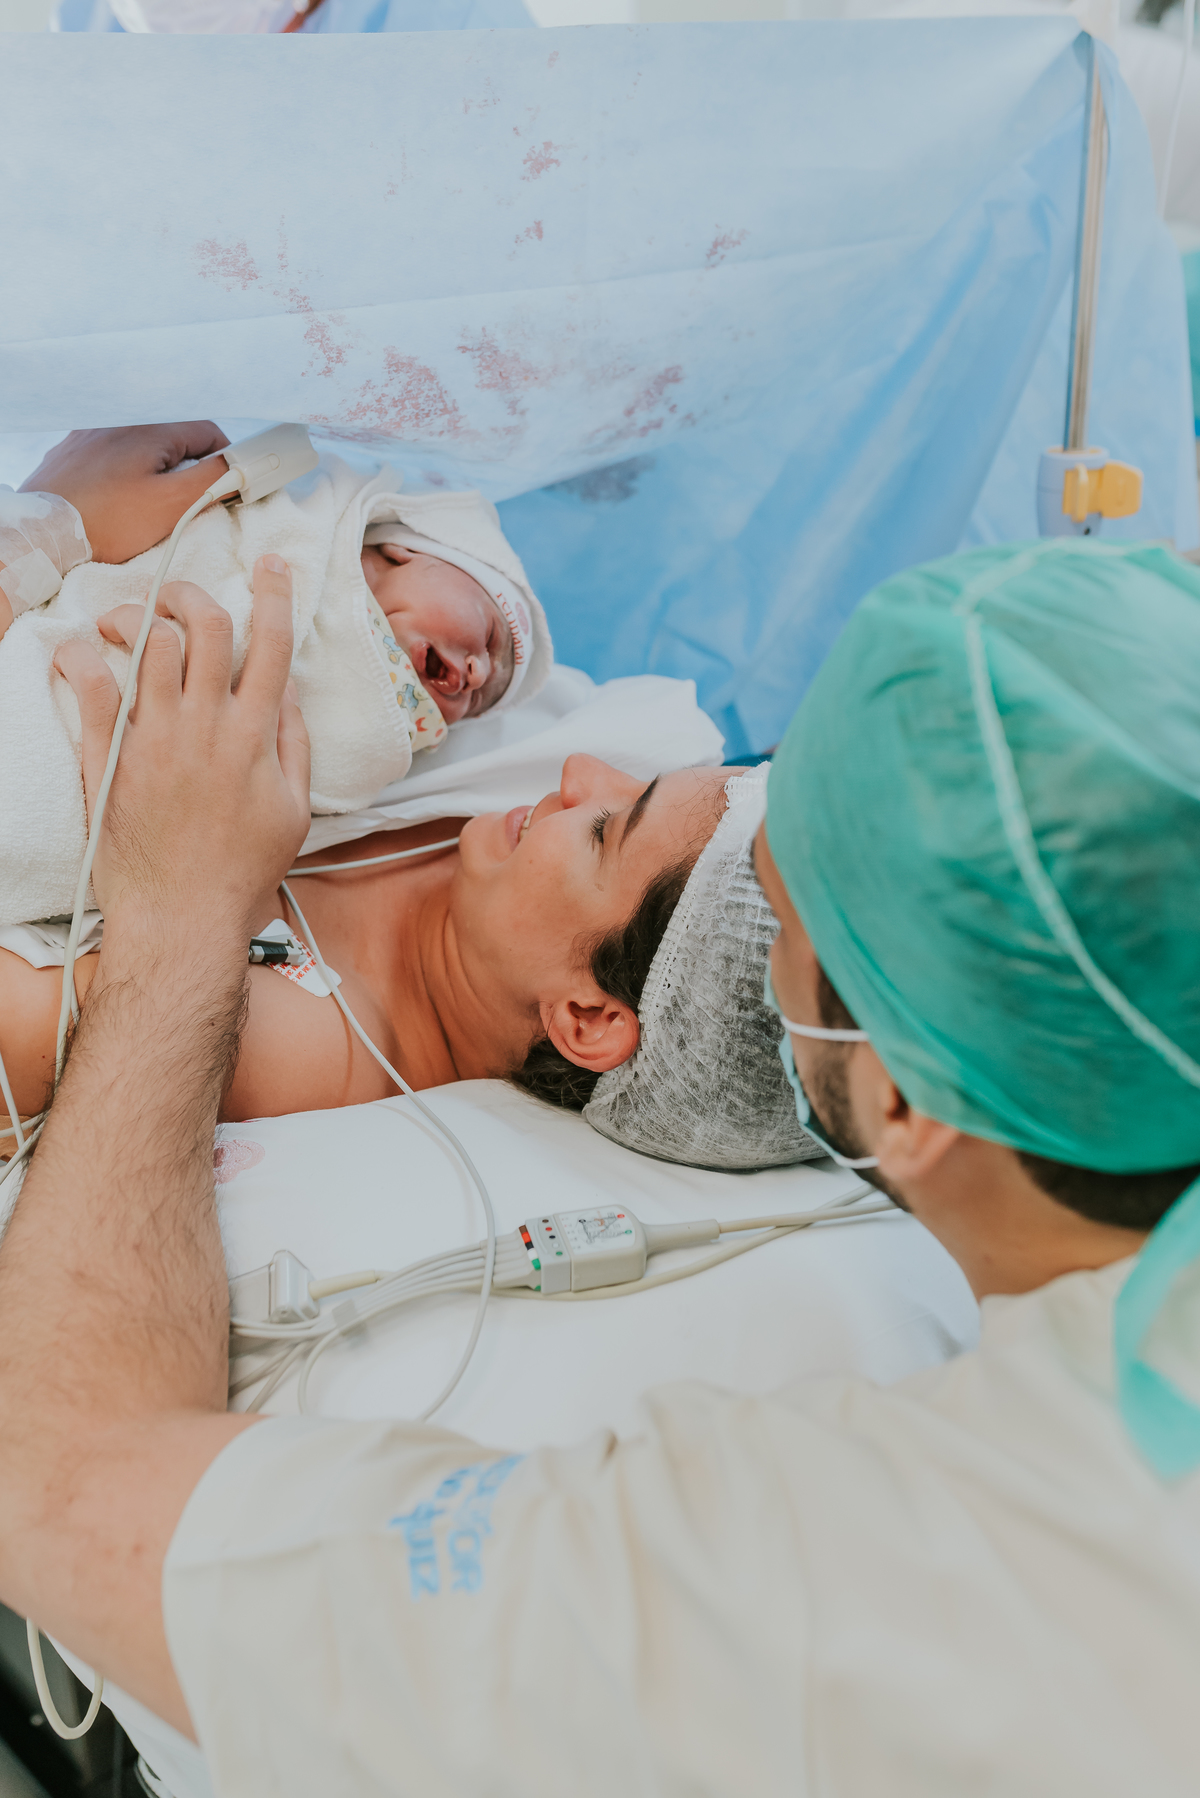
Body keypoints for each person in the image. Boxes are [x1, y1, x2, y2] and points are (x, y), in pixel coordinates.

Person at [5, 533, 1200, 1796]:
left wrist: (183, 908)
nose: (577, 775)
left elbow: (64, 1484)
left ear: (898, 1101)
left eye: (785, 917)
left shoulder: (813, 1580)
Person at [1, 435, 553, 930]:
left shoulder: (379, 744)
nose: (478, 671)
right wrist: (47, 537)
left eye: (481, 697)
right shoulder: (295, 540)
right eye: (488, 634)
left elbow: (324, 777)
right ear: (403, 550)